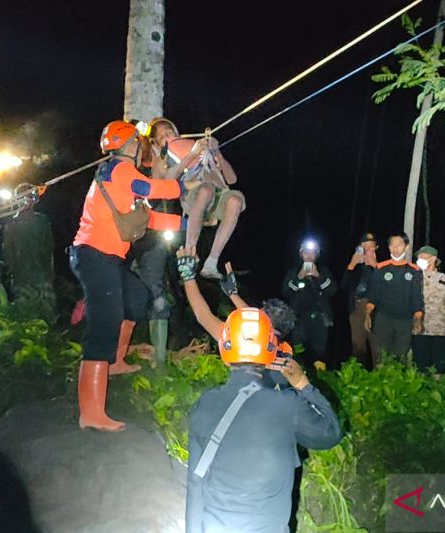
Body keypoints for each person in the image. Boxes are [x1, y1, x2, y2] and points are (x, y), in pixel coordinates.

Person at [175, 246, 342, 533]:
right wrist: (303, 385)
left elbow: (237, 325)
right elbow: (255, 328)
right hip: (268, 453)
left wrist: (190, 277)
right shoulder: (284, 359)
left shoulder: (207, 401)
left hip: (234, 447)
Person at [70, 120, 203, 432]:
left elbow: (147, 216)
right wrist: (184, 185)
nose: (139, 146)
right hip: (93, 255)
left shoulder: (119, 176)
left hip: (105, 257)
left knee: (137, 296)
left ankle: (114, 362)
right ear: (128, 144)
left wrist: (184, 225)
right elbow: (154, 188)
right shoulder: (119, 170)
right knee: (105, 323)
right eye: (136, 142)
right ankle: (90, 412)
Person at [149, 117, 245, 279]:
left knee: (235, 200)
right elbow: (166, 180)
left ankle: (212, 262)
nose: (167, 134)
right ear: (156, 143)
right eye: (162, 135)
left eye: (169, 130)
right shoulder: (162, 157)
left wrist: (216, 152)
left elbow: (232, 179)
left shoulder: (198, 147)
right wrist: (191, 154)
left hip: (217, 195)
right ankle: (190, 252)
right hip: (192, 194)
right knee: (205, 189)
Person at [364, 232, 423, 363]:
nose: (395, 248)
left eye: (399, 244)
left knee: (401, 357)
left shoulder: (414, 270)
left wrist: (418, 319)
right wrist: (368, 314)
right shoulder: (381, 268)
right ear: (389, 247)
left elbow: (416, 297)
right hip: (384, 319)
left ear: (406, 247)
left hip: (405, 321)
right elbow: (374, 295)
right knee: (383, 356)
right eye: (392, 245)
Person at [281, 238, 337, 369]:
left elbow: (333, 290)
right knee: (298, 350)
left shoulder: (324, 271)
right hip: (298, 318)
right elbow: (285, 292)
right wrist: (298, 278)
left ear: (317, 255)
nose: (309, 255)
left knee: (319, 352)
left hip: (320, 318)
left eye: (312, 253)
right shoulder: (293, 272)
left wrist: (318, 276)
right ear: (301, 254)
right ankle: (300, 377)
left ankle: (320, 379)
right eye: (306, 252)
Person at [412, 246, 445, 374]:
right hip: (419, 330)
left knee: (440, 369)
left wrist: (440, 318)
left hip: (440, 331)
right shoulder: (414, 279)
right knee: (420, 369)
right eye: (418, 257)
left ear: (433, 259)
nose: (419, 259)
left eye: (423, 257)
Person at [340, 232, 379, 368]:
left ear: (376, 248)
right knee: (358, 345)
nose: (368, 250)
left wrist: (375, 266)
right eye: (364, 247)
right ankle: (358, 375)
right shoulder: (355, 267)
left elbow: (387, 287)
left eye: (371, 247)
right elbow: (343, 286)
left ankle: (380, 376)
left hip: (375, 309)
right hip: (356, 307)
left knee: (376, 345)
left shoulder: (382, 267)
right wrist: (352, 264)